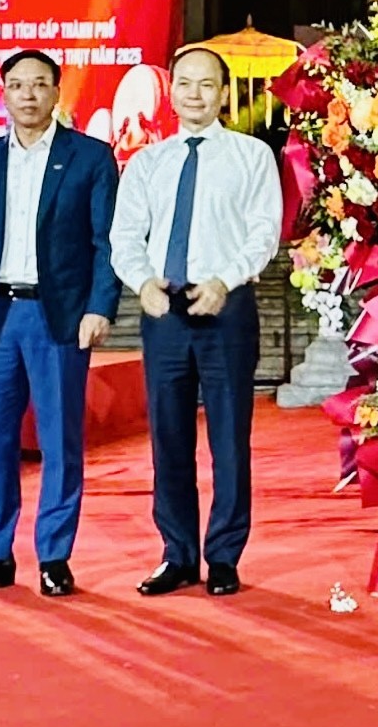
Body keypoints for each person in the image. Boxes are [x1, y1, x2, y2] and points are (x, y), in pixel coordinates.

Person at [0, 51, 122, 600]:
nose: (27, 95)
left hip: (57, 315)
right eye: (16, 85)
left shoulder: (90, 157)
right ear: (4, 94)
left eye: (39, 84)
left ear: (56, 93)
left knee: (60, 440)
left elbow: (106, 243)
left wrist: (100, 306)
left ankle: (54, 557)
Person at [111, 47, 282, 598]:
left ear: (224, 94)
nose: (194, 94)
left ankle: (224, 556)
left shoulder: (252, 156)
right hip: (164, 312)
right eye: (184, 83)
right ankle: (177, 554)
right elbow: (125, 235)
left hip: (225, 309)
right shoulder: (147, 162)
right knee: (168, 439)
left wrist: (224, 282)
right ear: (172, 92)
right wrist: (142, 283)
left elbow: (264, 232)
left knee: (230, 440)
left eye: (206, 85)